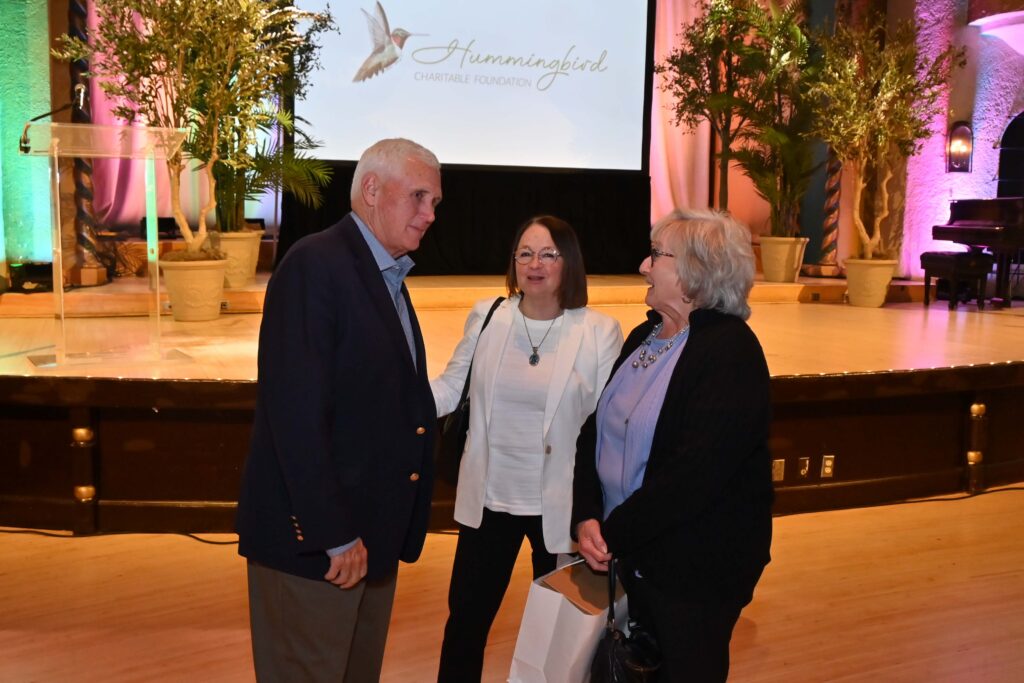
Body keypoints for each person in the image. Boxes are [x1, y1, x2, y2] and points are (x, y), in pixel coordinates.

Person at [236, 138, 442, 682]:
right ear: (371, 189)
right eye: (419, 197)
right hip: (320, 550)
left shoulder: (385, 275)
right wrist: (334, 533)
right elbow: (294, 416)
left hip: (367, 543)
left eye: (434, 203)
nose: (429, 214)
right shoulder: (315, 265)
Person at [573, 209, 774, 682]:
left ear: (695, 272)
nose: (644, 265)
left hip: (693, 572)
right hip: (630, 554)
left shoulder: (730, 351)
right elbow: (594, 432)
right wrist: (586, 515)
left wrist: (612, 533)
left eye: (657, 255)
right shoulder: (644, 336)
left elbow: (692, 476)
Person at [432, 215, 623, 682]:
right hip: (489, 501)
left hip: (559, 508)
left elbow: (606, 426)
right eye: (525, 253)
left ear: (569, 262)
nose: (534, 264)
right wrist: (392, 398)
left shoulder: (598, 331)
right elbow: (451, 387)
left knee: (560, 634)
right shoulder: (488, 316)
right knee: (465, 625)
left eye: (548, 254)